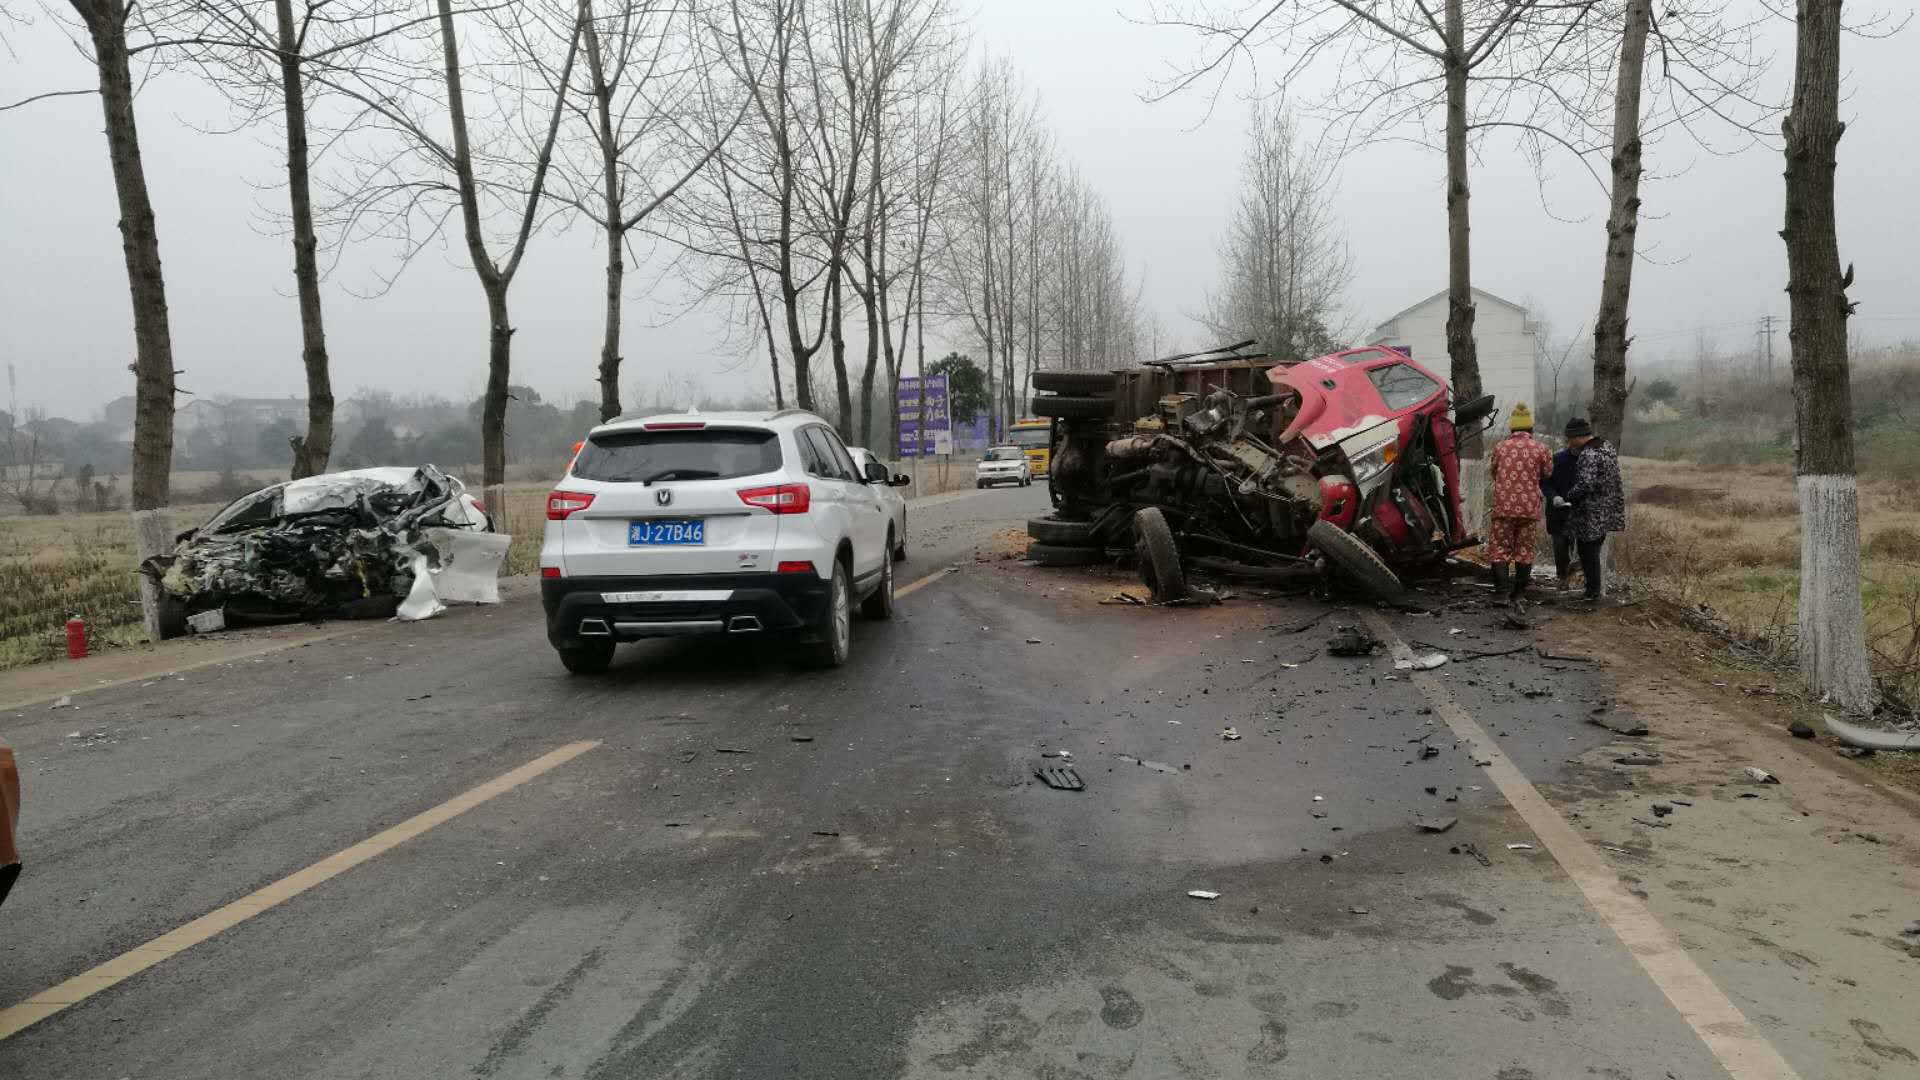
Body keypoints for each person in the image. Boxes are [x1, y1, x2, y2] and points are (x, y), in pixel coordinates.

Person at [1486, 402, 1554, 605]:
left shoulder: (1500, 447)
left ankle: (1501, 594)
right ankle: (1519, 594)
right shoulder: (1541, 448)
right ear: (1530, 429)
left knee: (1499, 548)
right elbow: (1548, 473)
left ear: (1512, 428)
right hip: (1529, 508)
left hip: (1503, 507)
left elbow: (1494, 472)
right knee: (1524, 549)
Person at [1555, 417, 1626, 601]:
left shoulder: (1589, 453)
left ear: (1577, 437)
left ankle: (1592, 592)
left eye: (1570, 439)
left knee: (1588, 552)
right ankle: (1593, 589)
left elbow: (1586, 483)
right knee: (1593, 549)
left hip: (1591, 512)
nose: (1569, 443)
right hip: (1607, 508)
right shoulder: (1607, 447)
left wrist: (1569, 495)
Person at [1541, 440, 1578, 590]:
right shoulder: (1557, 459)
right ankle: (1562, 579)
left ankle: (1578, 580)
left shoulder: (1589, 461)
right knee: (1560, 547)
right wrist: (1554, 496)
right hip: (1557, 512)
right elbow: (1544, 482)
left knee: (1580, 548)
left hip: (1580, 512)